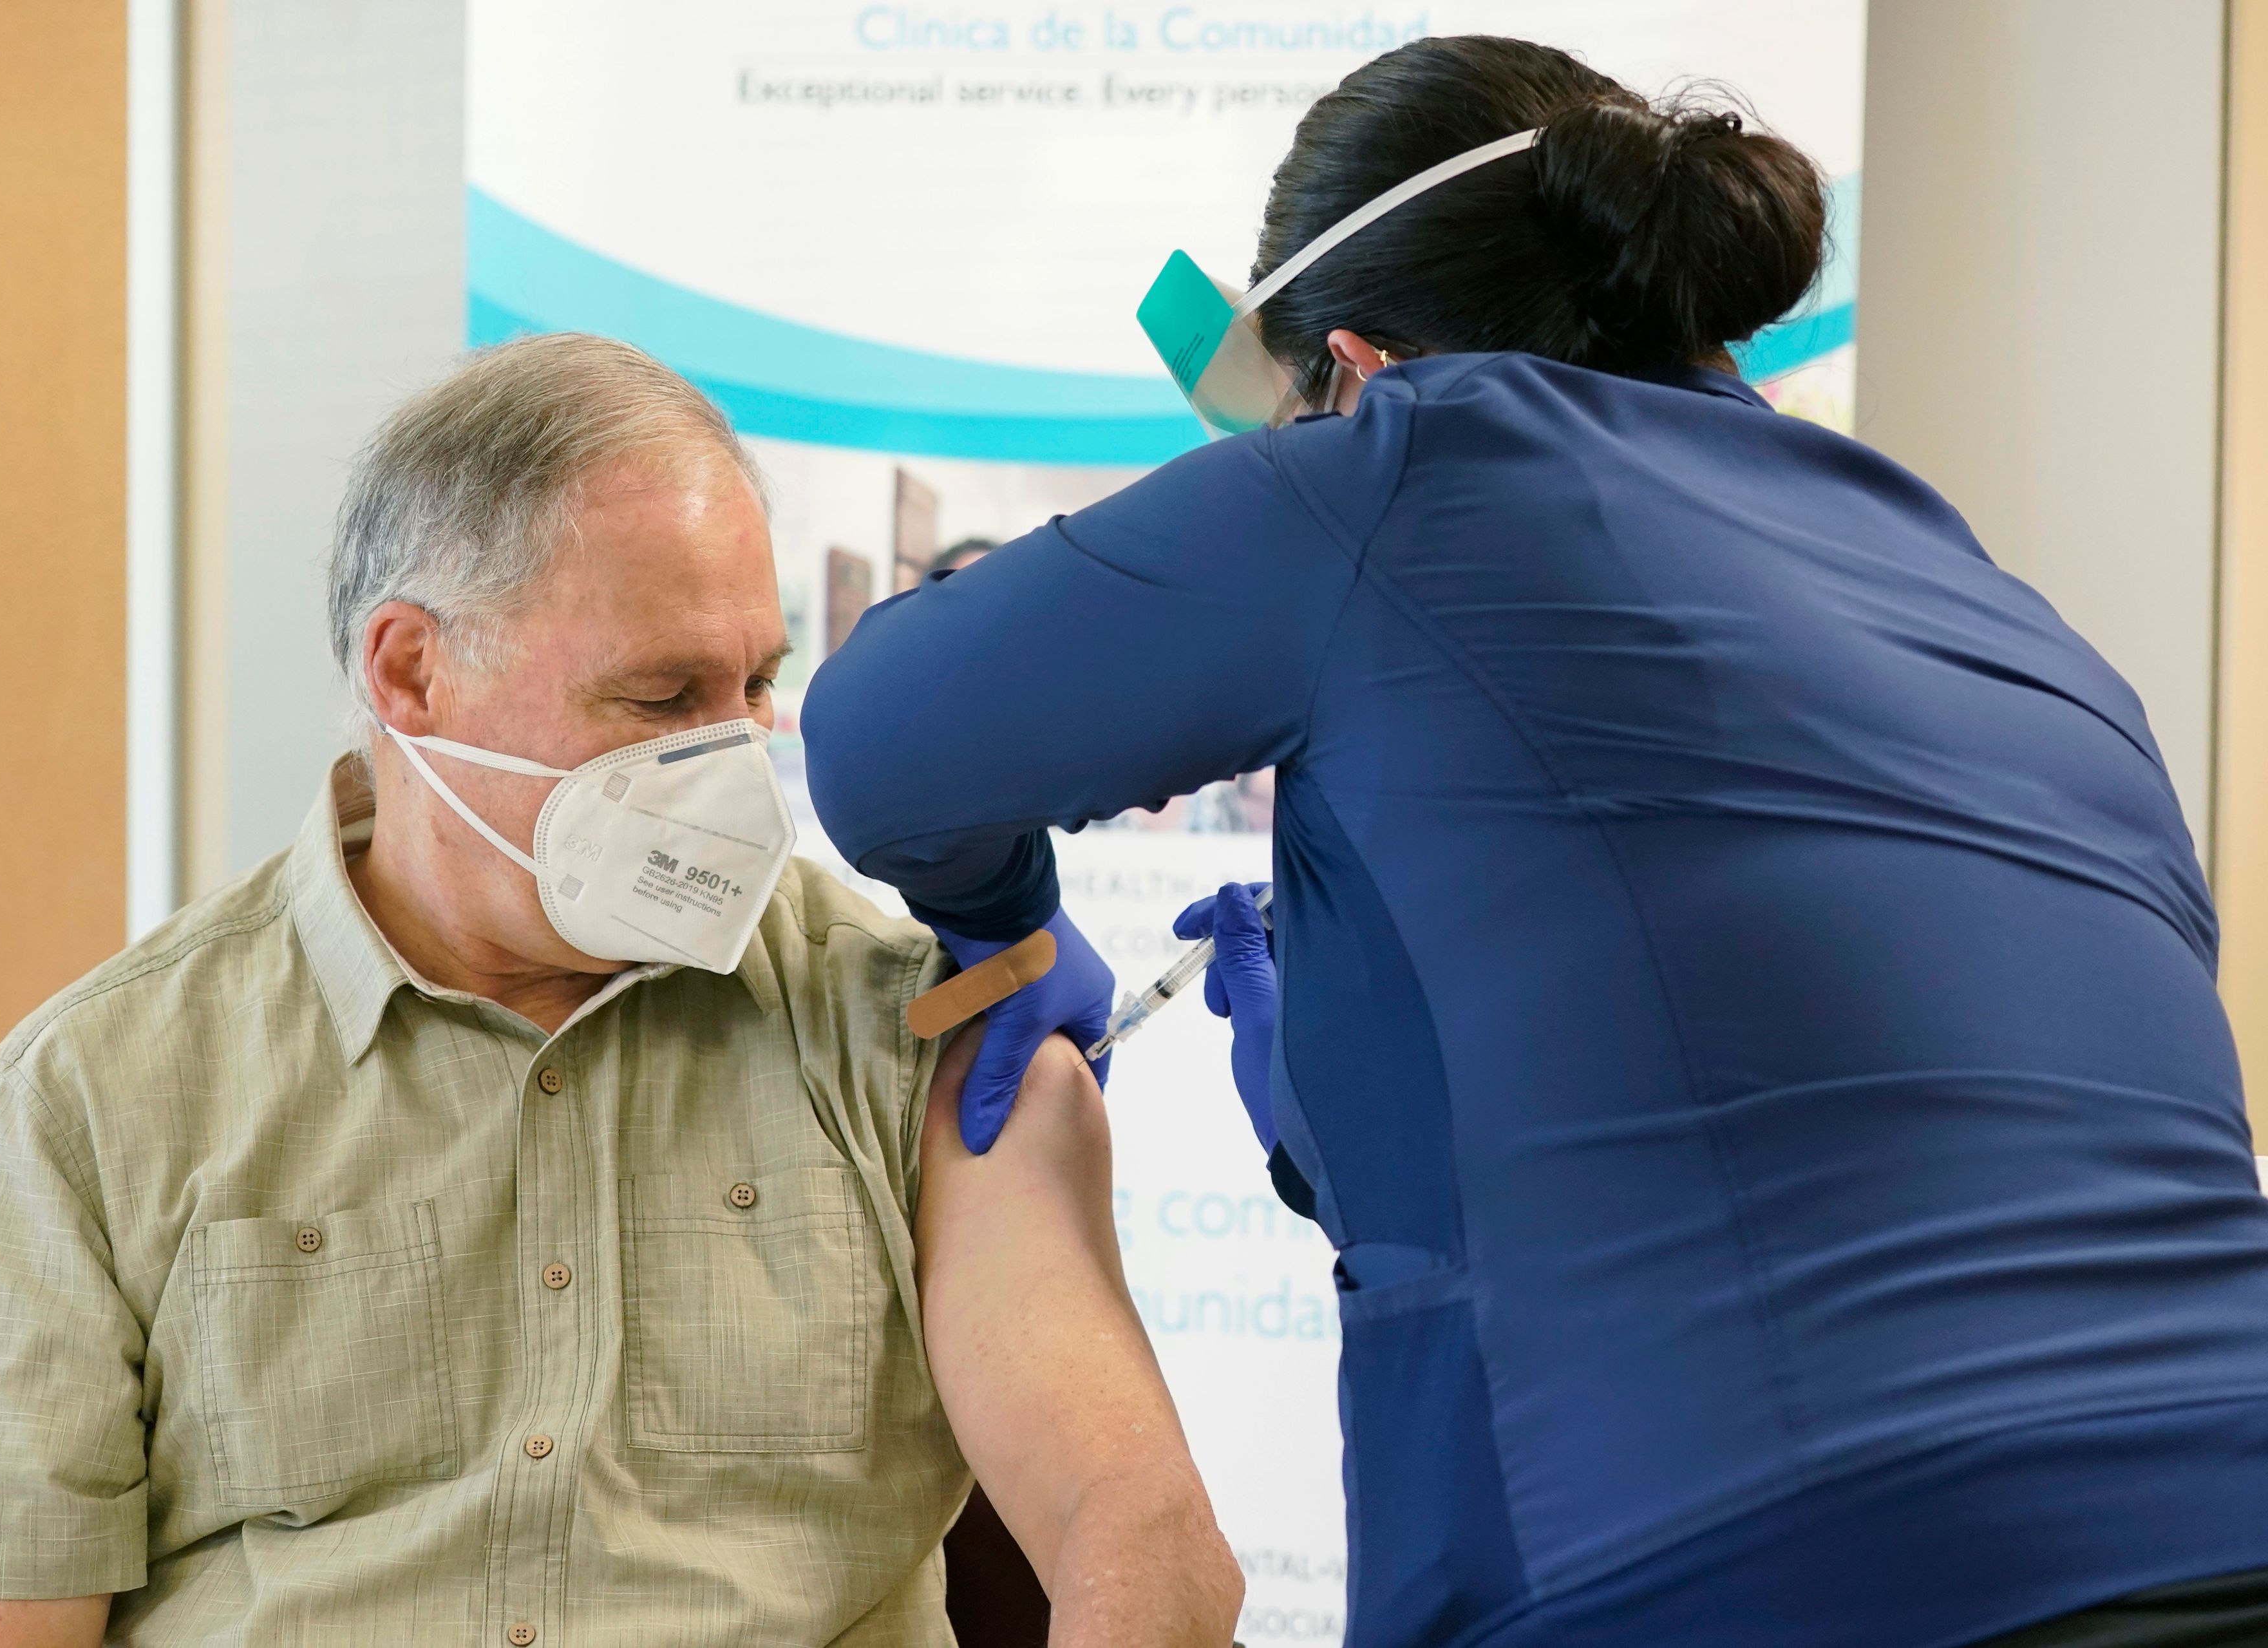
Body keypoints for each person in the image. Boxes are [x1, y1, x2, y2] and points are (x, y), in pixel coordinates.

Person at [801, 34, 2268, 1648]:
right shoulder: (1982, 588)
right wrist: (1343, 1109)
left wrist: (1009, 921)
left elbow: (880, 743)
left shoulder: (1408, 464)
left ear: (1348, 371)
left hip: (1763, 1564)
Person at [0, 335, 1242, 1647]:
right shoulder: (99, 1095)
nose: (729, 757)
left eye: (753, 684)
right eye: (656, 698)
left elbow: (1145, 1530)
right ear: (411, 669)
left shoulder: (904, 1037)